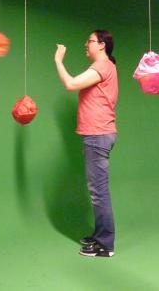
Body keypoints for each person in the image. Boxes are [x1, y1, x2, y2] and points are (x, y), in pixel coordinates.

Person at [54, 30, 118, 258]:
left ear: (101, 45)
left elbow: (71, 84)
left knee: (98, 193)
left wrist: (58, 61)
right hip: (97, 135)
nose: (86, 44)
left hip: (98, 135)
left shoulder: (102, 67)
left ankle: (106, 245)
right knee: (97, 191)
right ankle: (100, 235)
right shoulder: (106, 66)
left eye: (90, 41)